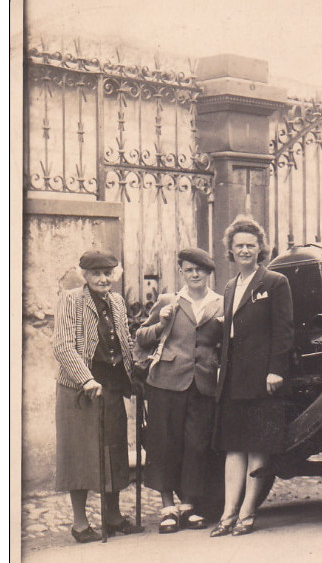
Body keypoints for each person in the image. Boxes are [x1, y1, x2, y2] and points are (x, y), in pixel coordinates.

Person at [52, 250, 146, 542]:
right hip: (80, 388)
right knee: (79, 454)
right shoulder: (71, 300)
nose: (103, 279)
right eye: (96, 274)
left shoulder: (116, 301)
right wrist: (86, 379)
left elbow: (126, 342)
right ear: (85, 276)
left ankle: (113, 516)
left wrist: (137, 376)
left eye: (108, 273)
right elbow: (63, 346)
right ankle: (80, 524)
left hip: (112, 386)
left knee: (114, 449)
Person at [211, 216, 293, 537]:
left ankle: (247, 513)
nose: (245, 250)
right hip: (233, 379)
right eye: (239, 246)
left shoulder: (274, 282)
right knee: (234, 448)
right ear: (230, 251)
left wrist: (276, 370)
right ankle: (228, 514)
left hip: (262, 378)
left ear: (260, 248)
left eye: (250, 245)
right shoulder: (230, 287)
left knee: (257, 446)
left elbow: (283, 332)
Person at [135, 248, 223, 534]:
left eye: (200, 269)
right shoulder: (169, 301)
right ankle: (167, 507)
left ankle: (188, 505)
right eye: (189, 269)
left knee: (196, 444)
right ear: (182, 272)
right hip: (166, 382)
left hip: (203, 382)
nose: (195, 274)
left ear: (209, 272)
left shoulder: (222, 304)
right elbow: (141, 338)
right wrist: (161, 323)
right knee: (164, 443)